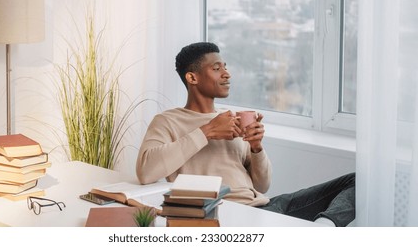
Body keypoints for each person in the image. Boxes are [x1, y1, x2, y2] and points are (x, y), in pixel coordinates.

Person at [136, 41, 355, 227]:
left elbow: (261, 186)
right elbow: (146, 172)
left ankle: (324, 228)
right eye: (216, 68)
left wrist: (256, 147)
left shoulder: (232, 118)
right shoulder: (168, 121)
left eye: (226, 67)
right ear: (192, 78)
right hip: (227, 213)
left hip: (266, 206)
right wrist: (207, 131)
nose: (227, 74)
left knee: (357, 181)